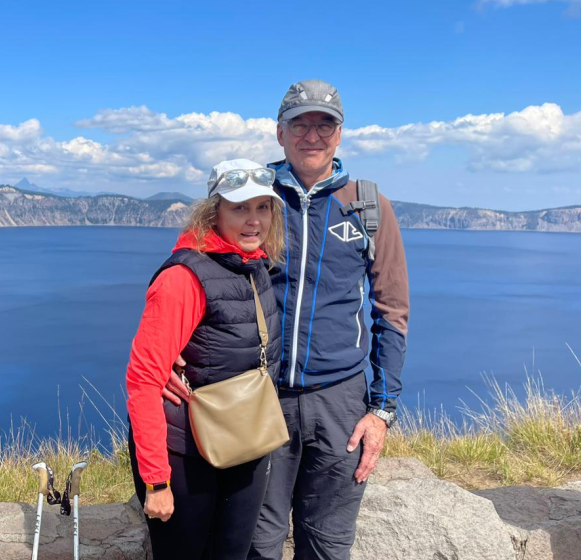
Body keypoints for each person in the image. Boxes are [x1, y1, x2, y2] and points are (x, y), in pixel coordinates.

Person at [164, 80, 410, 560]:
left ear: (340, 134)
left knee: (329, 541)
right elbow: (193, 260)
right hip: (259, 393)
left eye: (325, 124)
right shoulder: (256, 196)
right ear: (280, 133)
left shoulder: (367, 206)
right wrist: (175, 341)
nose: (312, 135)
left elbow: (391, 311)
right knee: (255, 537)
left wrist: (381, 412)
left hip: (339, 400)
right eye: (300, 123)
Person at [125, 158, 286, 559]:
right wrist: (157, 482)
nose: (254, 220)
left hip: (243, 440)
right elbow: (143, 380)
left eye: (263, 207)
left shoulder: (255, 266)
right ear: (214, 212)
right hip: (185, 454)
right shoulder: (184, 278)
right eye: (240, 208)